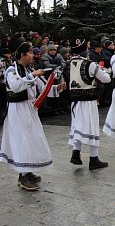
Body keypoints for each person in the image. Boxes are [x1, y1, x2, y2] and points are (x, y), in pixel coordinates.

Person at [0, 41, 66, 191]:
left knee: (31, 139)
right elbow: (16, 87)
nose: (32, 55)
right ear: (22, 55)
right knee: (22, 141)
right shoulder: (11, 70)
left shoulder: (29, 69)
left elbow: (42, 87)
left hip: (29, 109)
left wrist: (56, 88)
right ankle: (23, 176)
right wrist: (32, 75)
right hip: (17, 110)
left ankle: (27, 171)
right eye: (29, 53)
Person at [68, 38, 111, 170]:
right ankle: (93, 158)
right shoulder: (90, 64)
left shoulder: (69, 62)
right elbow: (106, 79)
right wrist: (104, 71)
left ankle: (76, 153)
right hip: (88, 100)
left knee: (77, 125)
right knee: (92, 126)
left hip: (74, 100)